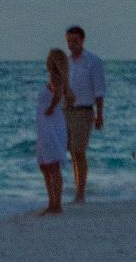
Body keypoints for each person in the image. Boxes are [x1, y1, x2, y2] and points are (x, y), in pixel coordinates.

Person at [64, 24, 106, 204]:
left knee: (79, 150)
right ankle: (76, 186)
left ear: (82, 41)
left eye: (75, 41)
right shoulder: (66, 62)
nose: (72, 45)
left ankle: (81, 192)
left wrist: (99, 114)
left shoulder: (93, 61)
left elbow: (99, 90)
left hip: (84, 110)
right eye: (69, 41)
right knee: (71, 151)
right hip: (66, 111)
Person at [37, 47, 73, 213]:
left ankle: (55, 204)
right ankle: (53, 202)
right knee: (46, 165)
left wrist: (52, 107)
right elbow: (68, 98)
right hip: (49, 125)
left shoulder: (55, 77)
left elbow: (58, 94)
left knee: (51, 165)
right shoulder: (60, 79)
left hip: (51, 126)